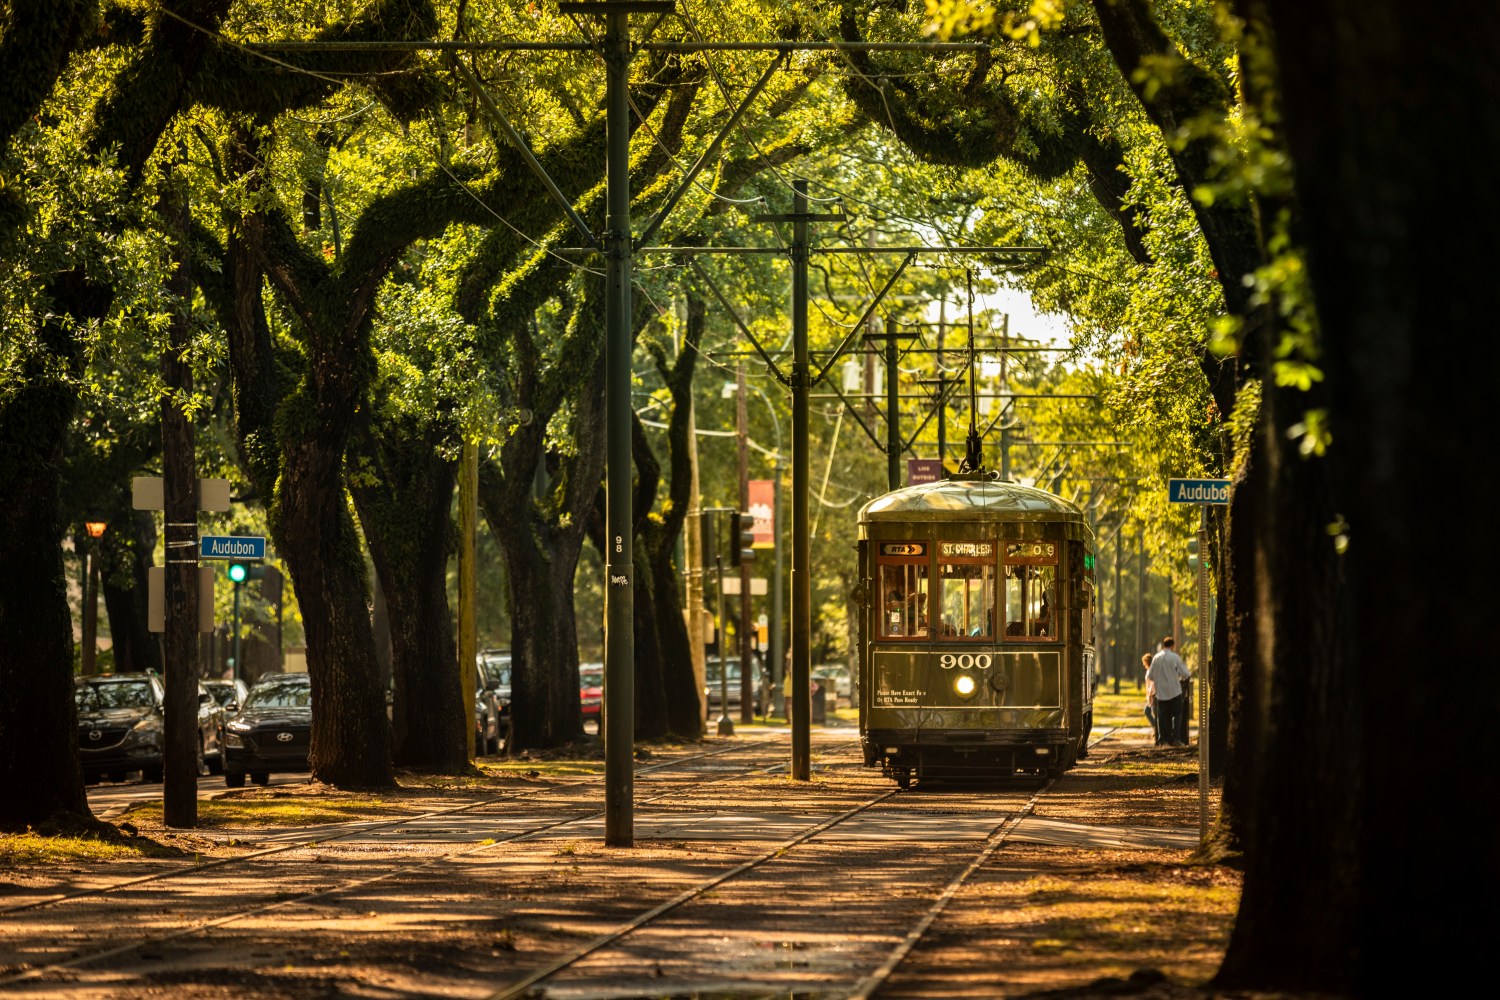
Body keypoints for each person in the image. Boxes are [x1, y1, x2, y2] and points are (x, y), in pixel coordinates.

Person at [1146, 636, 1191, 746]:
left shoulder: (1156, 658)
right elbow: (1186, 673)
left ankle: (1163, 740)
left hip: (1161, 693)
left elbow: (1150, 675)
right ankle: (1175, 739)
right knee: (1177, 715)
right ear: (1172, 646)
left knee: (1161, 717)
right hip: (1174, 691)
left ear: (1163, 645)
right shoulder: (1174, 657)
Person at [1141, 652, 1159, 743]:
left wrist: (1151, 695)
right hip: (1151, 695)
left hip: (1153, 695)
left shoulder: (1151, 671)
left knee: (1154, 714)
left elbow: (1152, 684)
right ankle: (1156, 730)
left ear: (1147, 661)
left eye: (1144, 662)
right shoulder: (1149, 670)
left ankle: (1158, 732)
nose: (1143, 664)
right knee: (1148, 711)